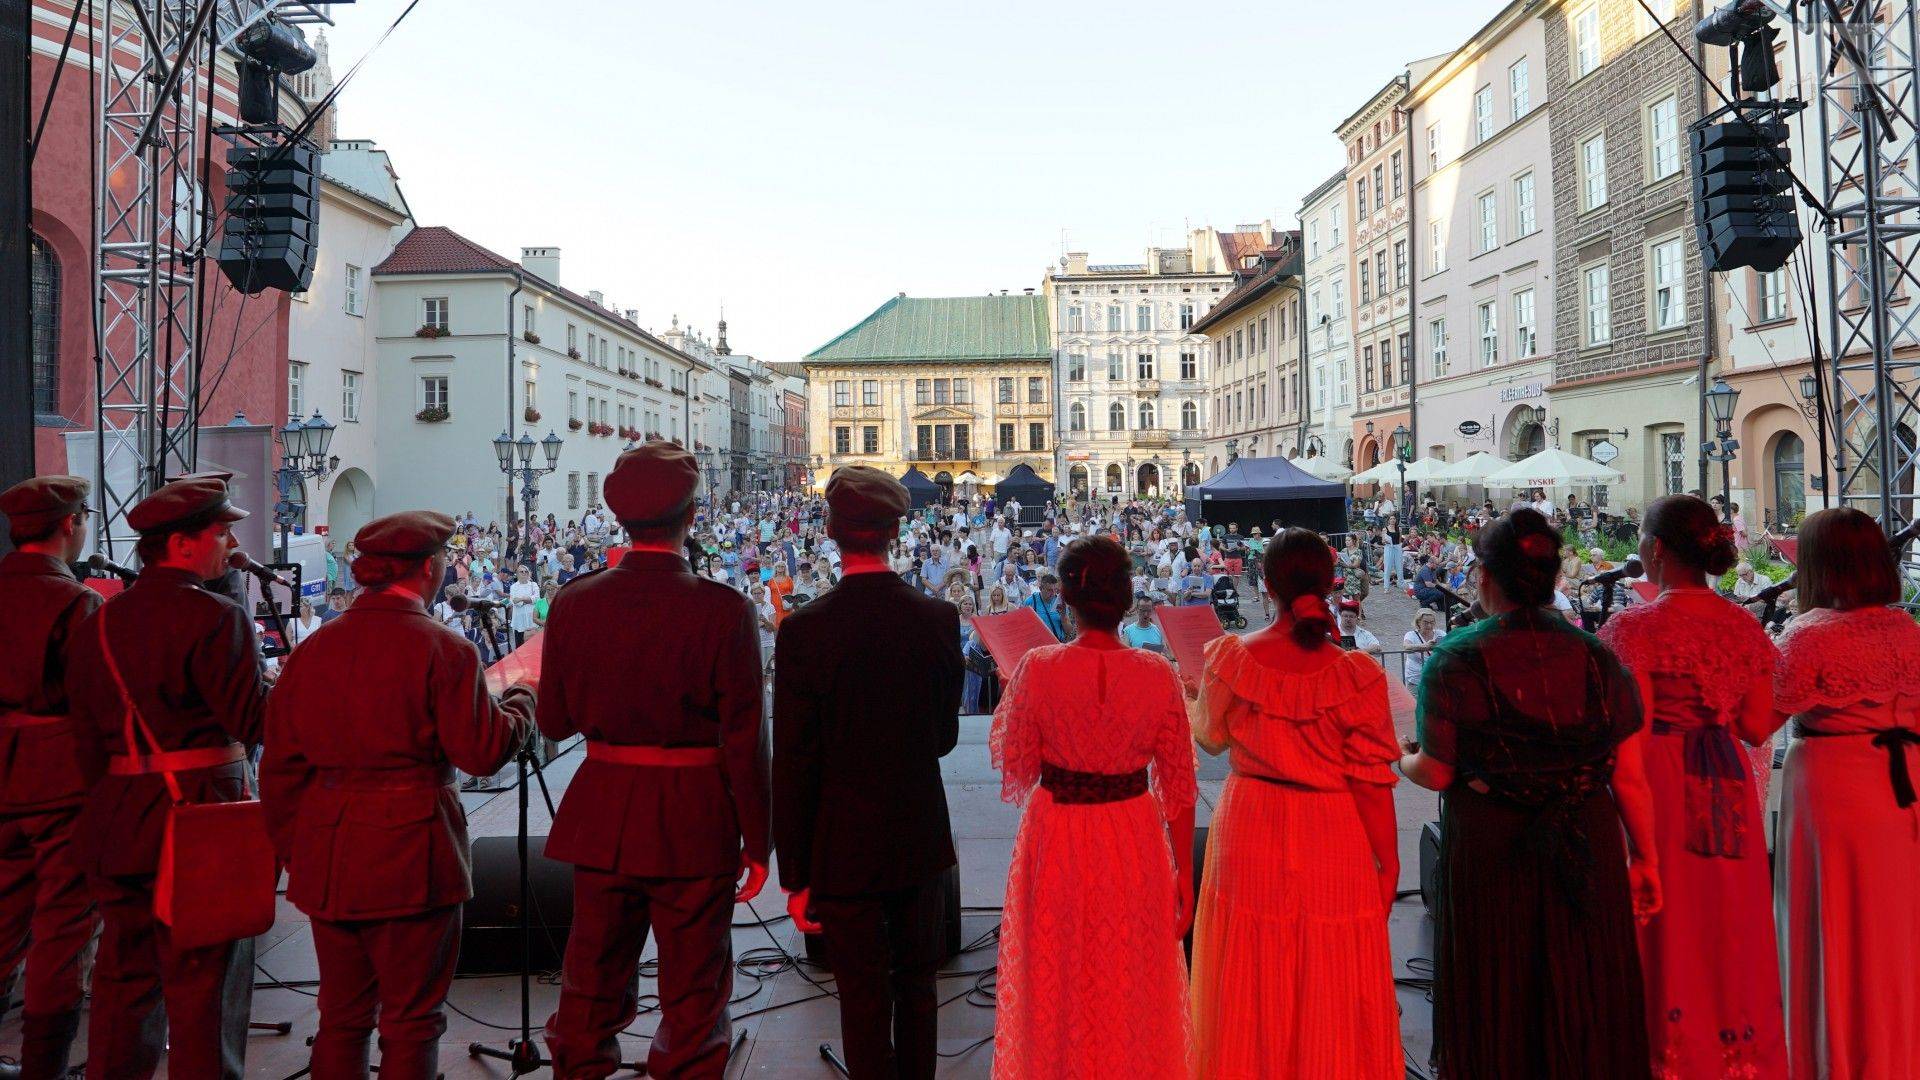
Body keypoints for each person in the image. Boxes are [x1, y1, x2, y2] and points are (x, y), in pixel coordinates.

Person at [260, 512, 536, 1080]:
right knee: (411, 1020)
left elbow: (280, 771)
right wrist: (523, 703)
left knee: (341, 1015)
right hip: (414, 856)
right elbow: (483, 752)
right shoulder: (444, 650)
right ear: (431, 569)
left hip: (331, 856)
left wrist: (299, 852)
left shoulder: (314, 651)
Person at [1399, 508, 1659, 1078]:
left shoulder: (1456, 659)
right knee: (1584, 981)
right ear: (1552, 580)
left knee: (1500, 986)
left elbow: (1437, 771)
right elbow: (1630, 776)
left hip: (1495, 842)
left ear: (1487, 578)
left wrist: (1400, 759)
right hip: (1586, 835)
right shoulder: (1598, 657)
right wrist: (1646, 859)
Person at [539, 444, 770, 1079]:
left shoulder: (573, 602)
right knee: (695, 992)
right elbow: (747, 739)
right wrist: (758, 840)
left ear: (619, 519)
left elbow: (553, 723)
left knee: (590, 975)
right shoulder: (725, 610)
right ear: (691, 516)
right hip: (695, 821)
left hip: (604, 815)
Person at [63, 474, 272, 1079]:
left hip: (117, 823)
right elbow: (253, 721)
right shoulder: (216, 620)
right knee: (205, 991)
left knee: (124, 987)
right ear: (182, 543)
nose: (230, 545)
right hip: (202, 824)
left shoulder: (97, 622)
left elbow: (85, 741)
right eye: (221, 532)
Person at [1187, 529, 1402, 1076]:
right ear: (1332, 585)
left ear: (1265, 585)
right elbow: (1372, 781)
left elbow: (1210, 737)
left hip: (1251, 826)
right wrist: (1389, 863)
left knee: (1250, 972)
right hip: (1333, 829)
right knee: (1328, 974)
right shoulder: (1358, 675)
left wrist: (1190, 693)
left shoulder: (1230, 660)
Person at [774, 467, 963, 1080]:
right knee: (917, 985)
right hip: (916, 832)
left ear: (830, 533)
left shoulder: (803, 630)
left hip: (841, 843)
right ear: (896, 531)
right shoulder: (937, 618)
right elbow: (943, 737)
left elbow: (794, 764)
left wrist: (795, 875)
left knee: (859, 997)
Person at [989, 536, 1196, 1077]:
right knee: (1129, 974)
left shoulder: (1037, 667)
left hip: (1057, 830)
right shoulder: (1158, 674)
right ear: (1126, 600)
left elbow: (1018, 770)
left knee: (1058, 974)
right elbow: (1179, 787)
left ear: (1067, 602)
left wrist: (1020, 695)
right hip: (1134, 833)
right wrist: (1186, 876)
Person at [1599, 494, 1786, 1078]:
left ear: (1654, 550)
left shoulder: (1635, 626)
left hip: (1664, 776)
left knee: (1668, 923)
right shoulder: (1742, 625)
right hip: (1726, 778)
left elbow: (1627, 736)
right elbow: (1757, 725)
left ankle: (1671, 1058)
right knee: (1730, 920)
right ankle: (1737, 1054)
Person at [1771, 507, 1920, 1078]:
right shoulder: (1906, 628)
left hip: (1838, 792)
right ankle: (1898, 1053)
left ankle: (1843, 1057)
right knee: (1895, 932)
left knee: (1838, 929)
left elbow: (1755, 722)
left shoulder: (1810, 636)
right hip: (1901, 790)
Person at [0, 477, 103, 1078]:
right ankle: (44, 1067)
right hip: (58, 781)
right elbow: (99, 702)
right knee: (64, 926)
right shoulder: (76, 603)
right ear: (70, 524)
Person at [1023, 572, 1070, 642]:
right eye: (1049, 590)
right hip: (1039, 645)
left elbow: (1068, 631)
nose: (1053, 594)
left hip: (1058, 643)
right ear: (1040, 588)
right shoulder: (1030, 602)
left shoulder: (1060, 601)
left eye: (1055, 590)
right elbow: (1025, 629)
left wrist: (1063, 617)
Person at [1402, 608, 1441, 687]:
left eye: (1432, 622)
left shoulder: (1440, 633)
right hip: (1415, 678)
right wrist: (1425, 646)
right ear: (1418, 622)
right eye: (1425, 622)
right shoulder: (1411, 635)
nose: (1429, 625)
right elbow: (1406, 647)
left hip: (1435, 678)